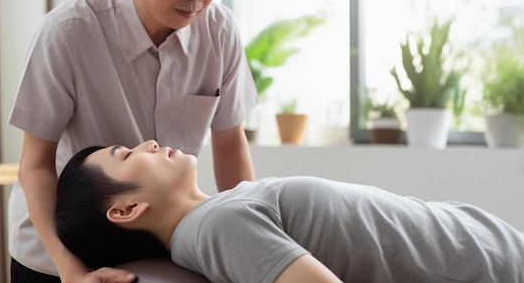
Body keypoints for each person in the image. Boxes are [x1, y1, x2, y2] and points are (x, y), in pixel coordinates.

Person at [7, 0, 258, 283]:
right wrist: (71, 270)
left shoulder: (220, 31)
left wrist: (251, 245)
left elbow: (230, 145)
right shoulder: (69, 31)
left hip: (154, 247)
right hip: (56, 251)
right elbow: (35, 165)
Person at [55, 141, 524, 283]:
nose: (148, 142)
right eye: (126, 154)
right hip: (493, 264)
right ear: (127, 209)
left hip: (489, 245)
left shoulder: (222, 209)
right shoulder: (217, 227)